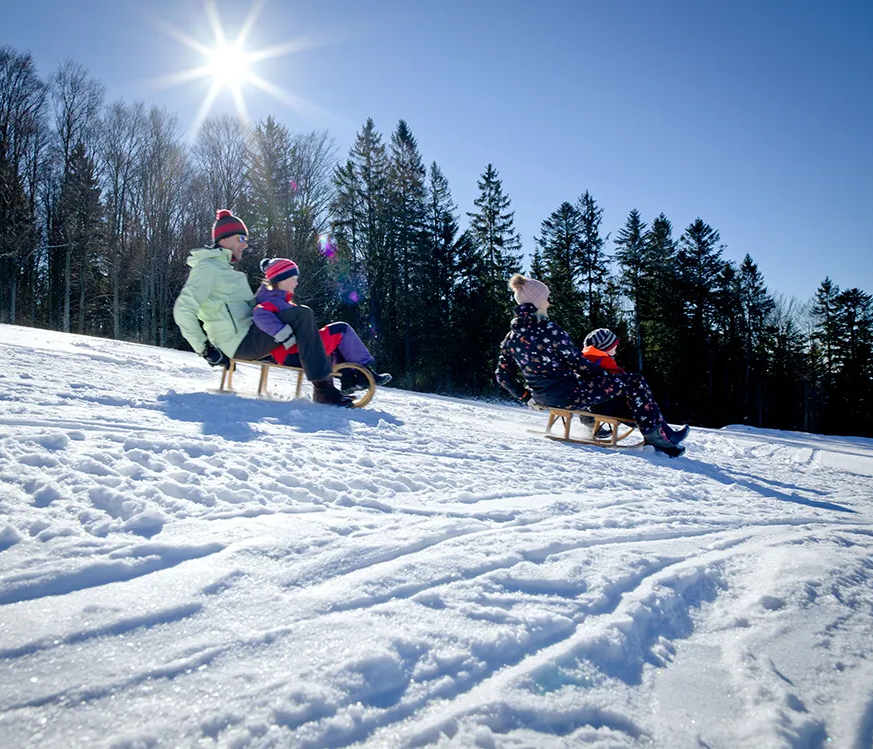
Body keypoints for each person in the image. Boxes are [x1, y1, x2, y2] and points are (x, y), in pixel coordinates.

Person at [172, 209, 353, 407]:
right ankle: (323, 388)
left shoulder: (224, 270)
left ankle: (336, 373)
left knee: (299, 316)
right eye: (242, 238)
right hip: (240, 342)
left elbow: (251, 308)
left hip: (248, 335)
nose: (245, 244)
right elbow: (183, 310)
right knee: (302, 315)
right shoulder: (208, 268)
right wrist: (206, 349)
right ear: (225, 238)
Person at [495, 273, 689, 457]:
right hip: (571, 395)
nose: (549, 302)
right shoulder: (549, 330)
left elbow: (503, 375)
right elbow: (577, 362)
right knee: (634, 381)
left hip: (541, 398)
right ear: (537, 302)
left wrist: (526, 396)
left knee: (606, 384)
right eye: (546, 298)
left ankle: (650, 432)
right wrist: (605, 377)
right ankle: (659, 438)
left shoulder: (511, 338)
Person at [252, 257, 391, 394]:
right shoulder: (273, 301)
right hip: (295, 353)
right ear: (281, 280)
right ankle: (364, 375)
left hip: (298, 350)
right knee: (341, 329)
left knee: (337, 338)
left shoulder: (280, 301)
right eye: (293, 279)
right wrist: (285, 335)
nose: (296, 283)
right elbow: (259, 314)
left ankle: (349, 380)